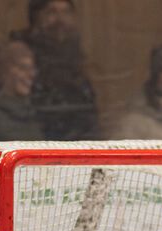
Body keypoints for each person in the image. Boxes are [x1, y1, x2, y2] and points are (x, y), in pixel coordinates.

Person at [11, 0, 99, 140]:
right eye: (51, 12)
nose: (60, 20)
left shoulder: (76, 59)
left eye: (66, 12)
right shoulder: (18, 57)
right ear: (35, 17)